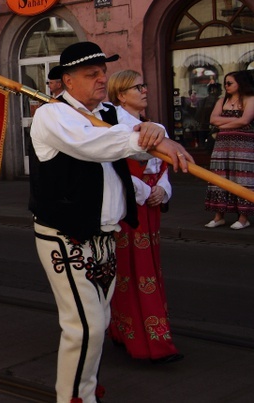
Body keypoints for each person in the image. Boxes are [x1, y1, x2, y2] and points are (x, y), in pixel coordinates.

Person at [28, 41, 192, 403]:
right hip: (65, 235)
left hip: (106, 235)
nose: (102, 79)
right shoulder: (53, 115)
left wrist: (158, 134)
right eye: (92, 74)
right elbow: (94, 145)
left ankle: (87, 389)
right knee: (84, 327)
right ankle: (74, 399)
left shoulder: (110, 113)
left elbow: (143, 130)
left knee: (99, 323)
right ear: (68, 81)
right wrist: (144, 139)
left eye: (103, 72)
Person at [106, 70, 182, 364]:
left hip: (149, 208)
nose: (145, 90)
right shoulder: (115, 124)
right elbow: (113, 168)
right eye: (138, 87)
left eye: (144, 84)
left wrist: (163, 190)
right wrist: (141, 190)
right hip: (130, 209)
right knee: (131, 273)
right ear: (122, 95)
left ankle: (135, 332)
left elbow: (162, 166)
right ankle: (145, 341)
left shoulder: (151, 125)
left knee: (148, 269)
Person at [204, 70, 254, 230]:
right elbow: (213, 119)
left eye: (229, 83)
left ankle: (243, 217)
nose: (226, 86)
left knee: (242, 177)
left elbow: (246, 120)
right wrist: (236, 120)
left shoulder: (250, 99)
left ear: (241, 83)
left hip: (243, 146)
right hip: (222, 145)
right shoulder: (222, 100)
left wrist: (222, 124)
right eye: (225, 83)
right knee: (220, 177)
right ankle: (219, 216)